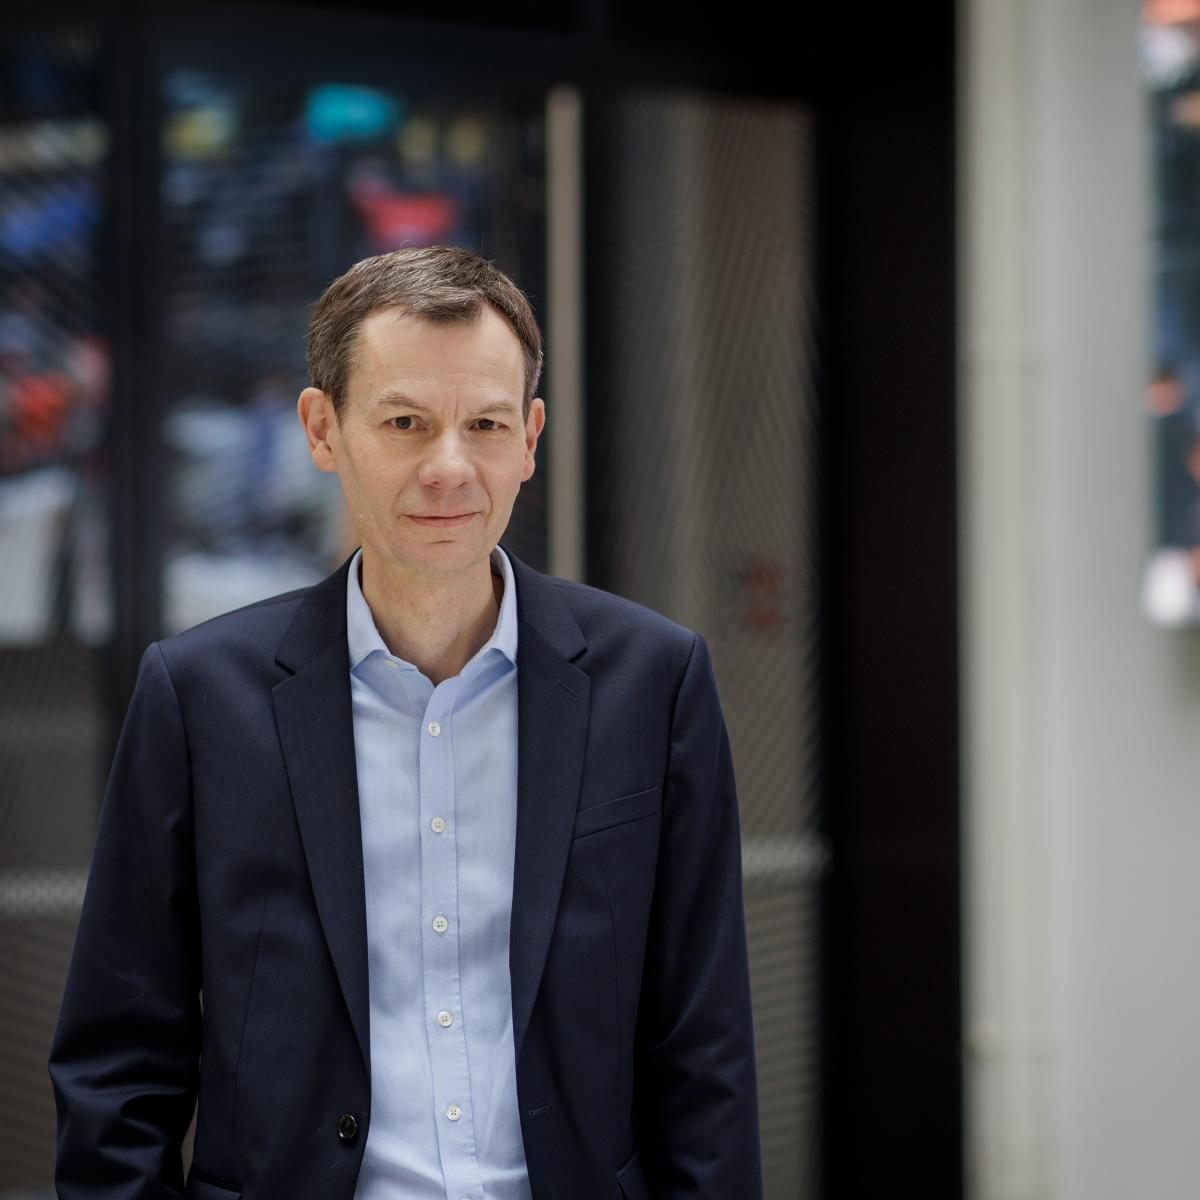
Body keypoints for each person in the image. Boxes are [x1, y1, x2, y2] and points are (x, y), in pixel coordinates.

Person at [49, 246, 762, 1200]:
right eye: (405, 422)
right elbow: (119, 1065)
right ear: (323, 428)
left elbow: (705, 1048)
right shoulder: (198, 698)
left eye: (486, 424)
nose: (450, 468)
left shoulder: (655, 683)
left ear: (530, 439)